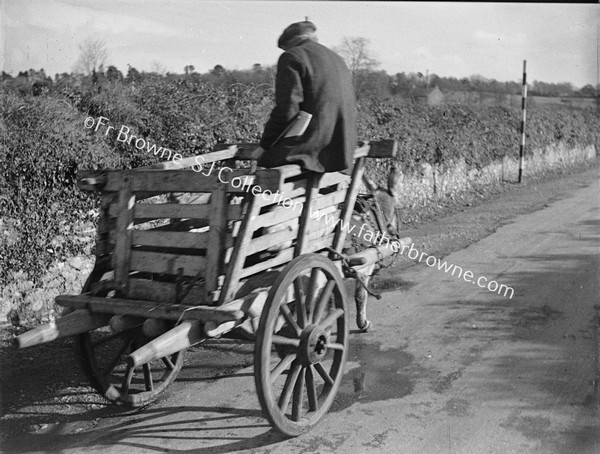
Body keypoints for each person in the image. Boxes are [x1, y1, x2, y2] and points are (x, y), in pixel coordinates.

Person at [253, 21, 357, 173]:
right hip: (342, 150)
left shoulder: (292, 56)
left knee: (263, 162)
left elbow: (287, 109)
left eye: (284, 48)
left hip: (314, 151)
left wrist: (265, 145)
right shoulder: (337, 59)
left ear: (290, 43)